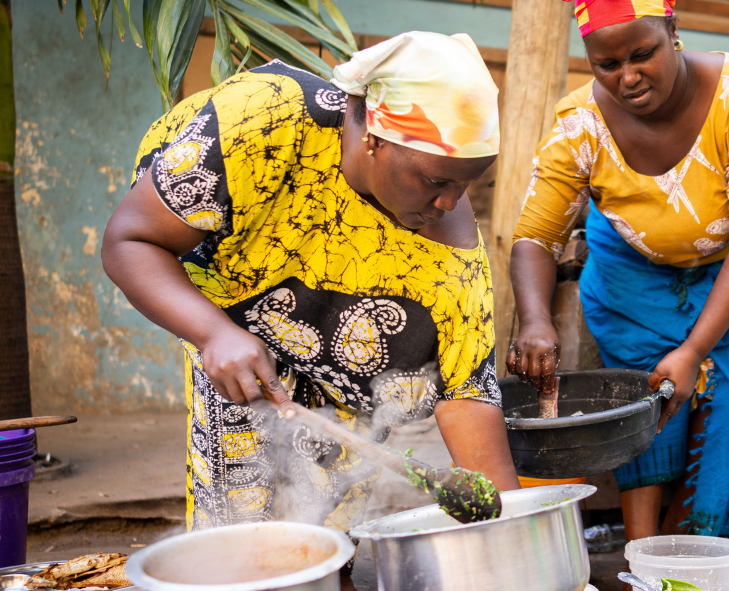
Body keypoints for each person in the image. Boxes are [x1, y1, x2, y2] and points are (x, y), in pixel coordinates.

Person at [102, 31, 521, 536]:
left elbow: (467, 394)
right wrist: (213, 334)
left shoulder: (453, 257)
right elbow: (130, 241)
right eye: (436, 182)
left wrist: (517, 541)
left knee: (328, 524)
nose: (450, 203)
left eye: (465, 183)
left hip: (340, 338)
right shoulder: (265, 121)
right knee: (244, 517)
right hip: (231, 293)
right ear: (375, 137)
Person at [505, 0, 729, 580]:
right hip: (631, 278)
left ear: (674, 31)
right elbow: (535, 238)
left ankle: (694, 557)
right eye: (606, 64)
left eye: (644, 54)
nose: (628, 77)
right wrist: (534, 320)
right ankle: (644, 573)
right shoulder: (579, 124)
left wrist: (693, 351)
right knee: (642, 402)